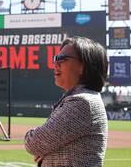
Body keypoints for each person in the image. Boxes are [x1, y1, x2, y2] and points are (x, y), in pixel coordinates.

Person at [24, 36, 108, 167]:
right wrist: (47, 147)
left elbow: (34, 143)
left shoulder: (82, 102)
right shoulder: (82, 99)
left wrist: (41, 144)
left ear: (83, 66)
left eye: (62, 58)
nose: (56, 63)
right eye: (56, 58)